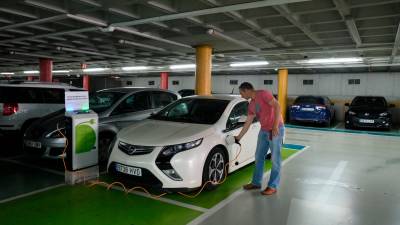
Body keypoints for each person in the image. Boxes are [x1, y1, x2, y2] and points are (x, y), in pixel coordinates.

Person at [235, 82, 284, 195]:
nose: (241, 96)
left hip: (275, 129)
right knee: (258, 156)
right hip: (264, 130)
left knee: (275, 159)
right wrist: (238, 137)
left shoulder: (263, 94)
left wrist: (275, 125)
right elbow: (247, 122)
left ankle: (273, 186)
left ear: (247, 90)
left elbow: (277, 106)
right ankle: (256, 183)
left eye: (241, 93)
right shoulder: (251, 104)